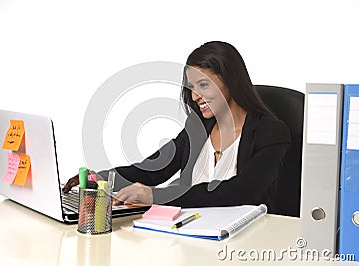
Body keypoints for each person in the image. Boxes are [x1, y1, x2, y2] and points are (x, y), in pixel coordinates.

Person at [63, 41, 291, 211]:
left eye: (204, 85)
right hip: (185, 232)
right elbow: (154, 167)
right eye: (192, 87)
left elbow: (244, 192)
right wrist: (103, 178)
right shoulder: (198, 126)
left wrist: (157, 196)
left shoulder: (270, 133)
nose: (194, 96)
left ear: (232, 80)